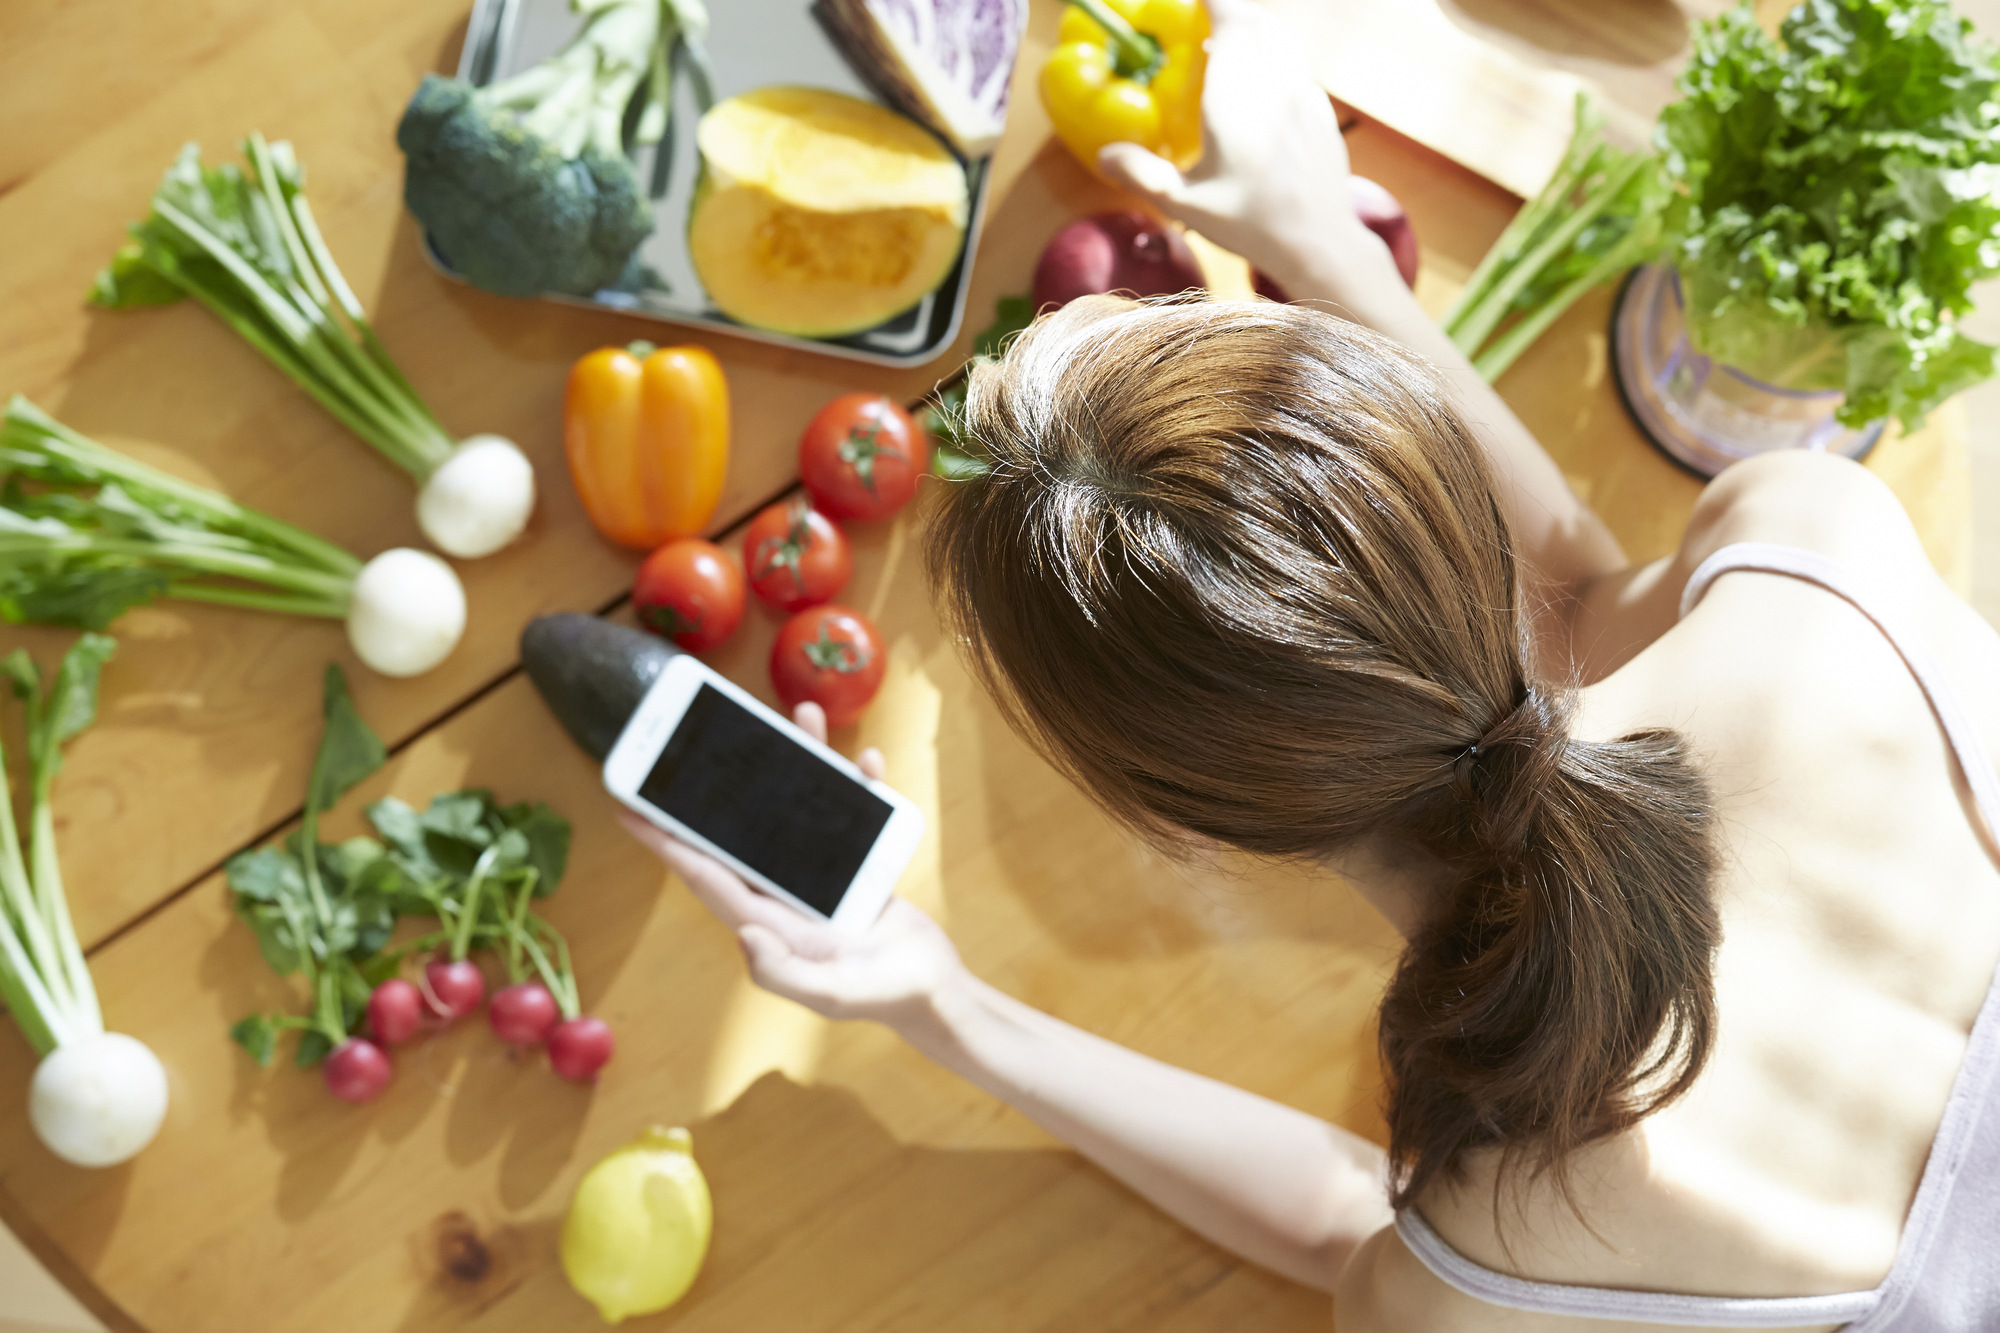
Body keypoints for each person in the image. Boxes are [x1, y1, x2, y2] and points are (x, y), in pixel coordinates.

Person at [620, 2, 2000, 1327]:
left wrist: (946, 1004)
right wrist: (1320, 243)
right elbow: (1581, 598)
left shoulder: (1486, 1271)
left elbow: (1361, 1230)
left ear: (1185, 826)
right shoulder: (1815, 563)